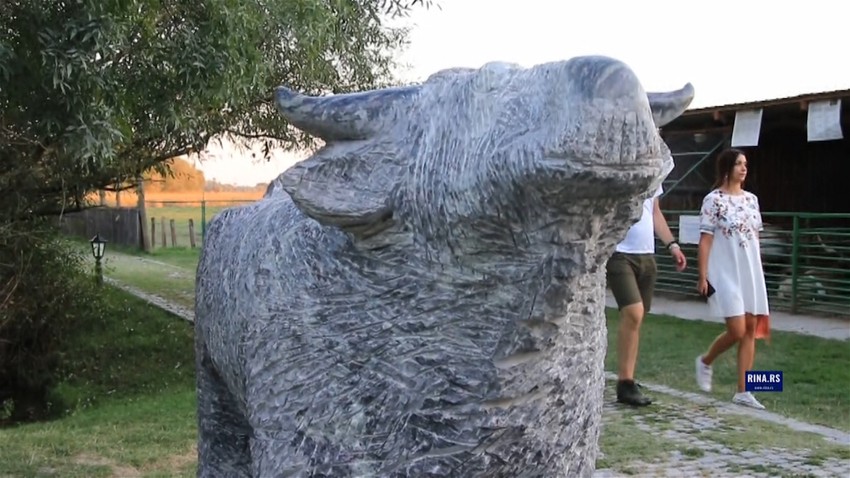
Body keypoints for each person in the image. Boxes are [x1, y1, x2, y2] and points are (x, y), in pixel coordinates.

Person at [694, 148, 770, 410]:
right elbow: (705, 240)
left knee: (750, 328)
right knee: (736, 330)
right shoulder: (713, 200)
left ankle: (744, 391)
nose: (744, 168)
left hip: (749, 270)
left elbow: (755, 237)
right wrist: (702, 274)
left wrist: (758, 269)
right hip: (725, 271)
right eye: (738, 164)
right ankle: (705, 361)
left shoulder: (751, 200)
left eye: (745, 164)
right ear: (727, 168)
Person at [607, 184, 687, 406]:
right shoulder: (619, 172)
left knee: (636, 319)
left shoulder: (653, 174)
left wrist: (672, 245)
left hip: (646, 254)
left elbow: (655, 211)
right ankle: (625, 382)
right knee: (633, 312)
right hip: (619, 253)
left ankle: (627, 381)